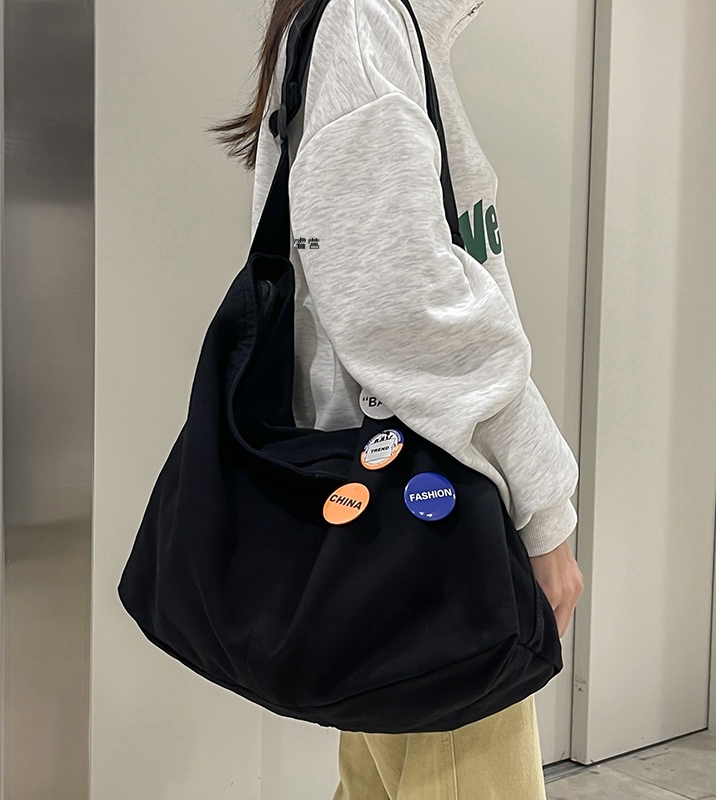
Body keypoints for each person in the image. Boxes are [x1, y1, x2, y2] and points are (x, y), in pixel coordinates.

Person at [207, 0, 584, 796]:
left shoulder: (379, 25)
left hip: (392, 524)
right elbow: (411, 315)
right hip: (435, 528)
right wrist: (546, 514)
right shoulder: (364, 23)